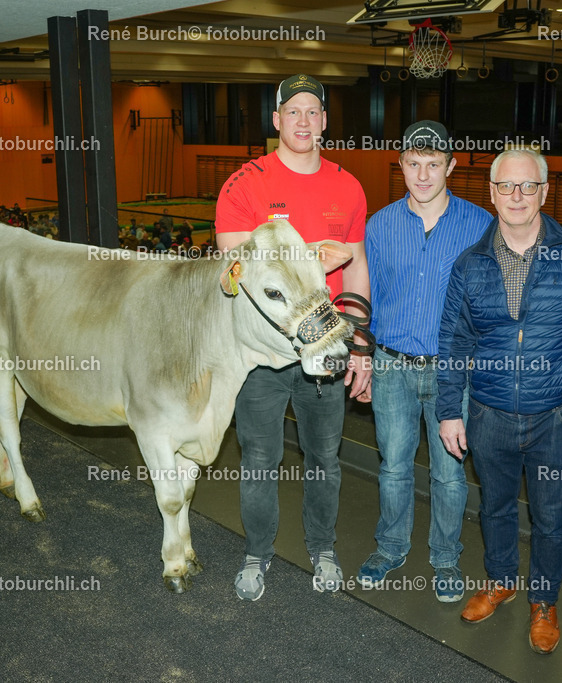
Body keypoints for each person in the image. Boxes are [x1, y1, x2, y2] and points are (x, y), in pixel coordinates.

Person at [437, 148, 562, 655]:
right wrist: (450, 409)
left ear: (544, 191)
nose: (516, 196)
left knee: (551, 517)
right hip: (488, 414)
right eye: (506, 187)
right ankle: (500, 580)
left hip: (558, 417)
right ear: (492, 193)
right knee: (494, 507)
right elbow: (453, 340)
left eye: (527, 186)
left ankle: (544, 600)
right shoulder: (469, 263)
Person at [214, 74, 370, 601]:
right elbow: (233, 273)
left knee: (324, 457)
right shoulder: (244, 184)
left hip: (324, 345)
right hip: (262, 355)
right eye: (293, 111)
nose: (303, 121)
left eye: (313, 111)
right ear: (277, 120)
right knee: (259, 458)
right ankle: (257, 553)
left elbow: (356, 267)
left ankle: (322, 547)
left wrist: (361, 344)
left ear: (325, 121)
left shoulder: (348, 187)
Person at [359, 120, 492, 603]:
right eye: (413, 163)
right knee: (393, 466)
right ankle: (391, 547)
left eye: (433, 164)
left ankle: (445, 558)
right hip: (391, 363)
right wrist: (363, 358)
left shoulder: (480, 226)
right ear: (401, 166)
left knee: (449, 473)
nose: (422, 173)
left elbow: (490, 303)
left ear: (451, 167)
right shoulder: (380, 224)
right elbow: (366, 296)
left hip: (452, 372)